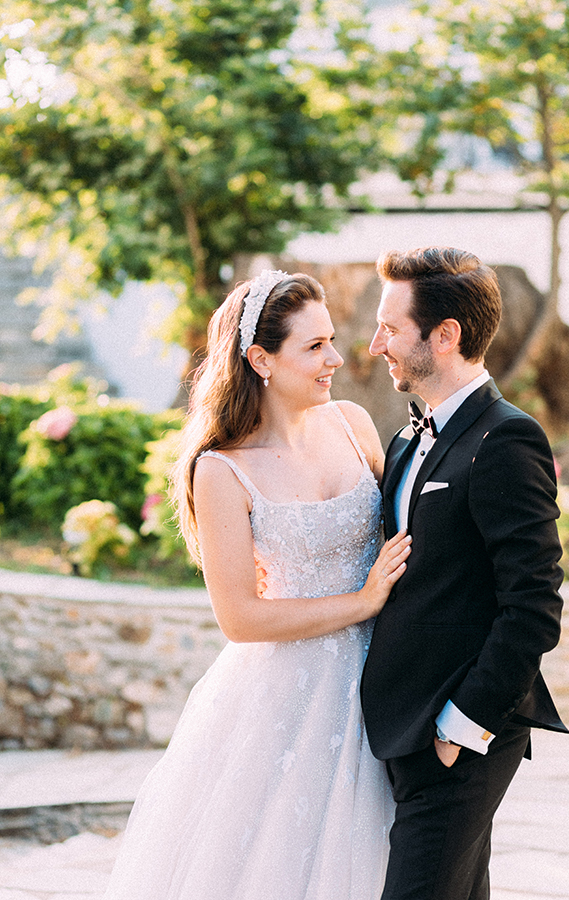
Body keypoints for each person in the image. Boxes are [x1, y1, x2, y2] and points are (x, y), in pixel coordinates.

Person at [103, 270, 412, 900]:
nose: (336, 359)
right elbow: (240, 619)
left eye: (331, 340)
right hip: (285, 697)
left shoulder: (353, 424)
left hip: (382, 682)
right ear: (260, 359)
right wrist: (361, 602)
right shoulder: (220, 470)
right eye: (314, 347)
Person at [361, 246, 569, 900]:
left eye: (391, 328)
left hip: (458, 734)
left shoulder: (506, 439)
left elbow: (533, 606)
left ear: (444, 336)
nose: (374, 344)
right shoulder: (404, 440)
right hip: (404, 729)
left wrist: (459, 728)